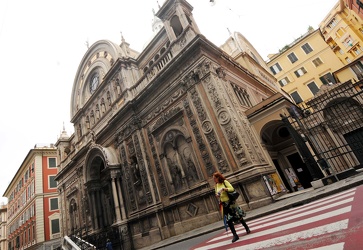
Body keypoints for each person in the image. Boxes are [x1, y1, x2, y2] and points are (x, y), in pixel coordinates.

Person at [213, 172, 251, 243]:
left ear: (218, 177)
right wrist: (217, 195)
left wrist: (224, 189)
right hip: (224, 204)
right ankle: (235, 235)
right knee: (228, 220)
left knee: (238, 216)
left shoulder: (224, 182)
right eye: (214, 179)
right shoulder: (216, 186)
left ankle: (246, 227)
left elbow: (231, 189)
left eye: (215, 178)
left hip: (231, 203)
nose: (214, 180)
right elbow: (216, 194)